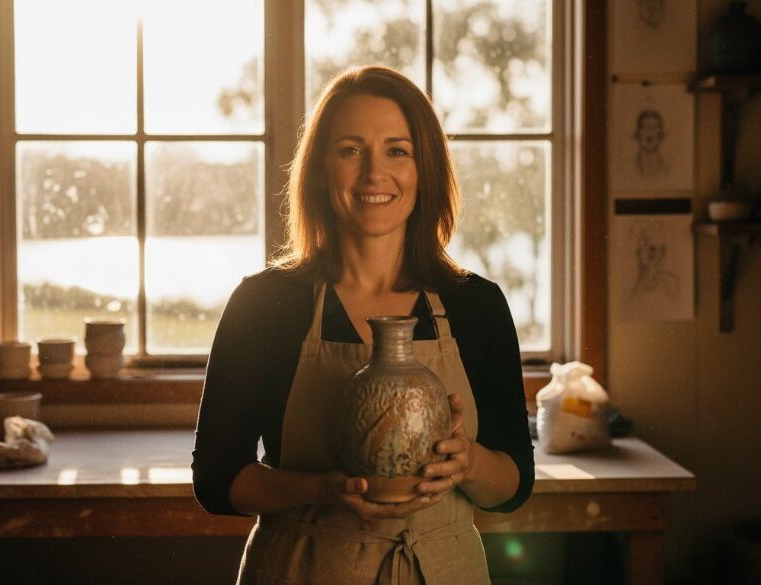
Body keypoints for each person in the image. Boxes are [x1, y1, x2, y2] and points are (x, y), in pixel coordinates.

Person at [192, 65, 534, 585]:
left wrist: (469, 463)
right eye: (351, 149)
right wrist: (321, 489)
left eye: (398, 150)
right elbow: (217, 481)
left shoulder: (476, 306)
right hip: (302, 568)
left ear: (426, 169)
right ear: (321, 169)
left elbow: (514, 484)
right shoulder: (263, 304)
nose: (376, 173)